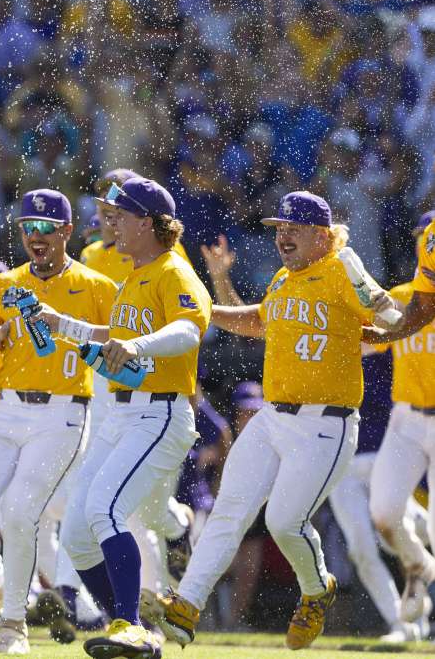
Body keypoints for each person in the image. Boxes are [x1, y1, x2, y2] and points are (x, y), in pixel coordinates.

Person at [142, 192, 395, 651]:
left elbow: (387, 318)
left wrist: (382, 307)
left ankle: (317, 589)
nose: (282, 236)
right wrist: (207, 306)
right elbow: (259, 322)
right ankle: (186, 605)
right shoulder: (283, 278)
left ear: (322, 236)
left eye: (293, 228)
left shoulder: (341, 269)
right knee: (229, 509)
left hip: (327, 423)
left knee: (283, 521)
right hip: (274, 416)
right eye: (279, 228)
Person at [0, 189, 118, 654]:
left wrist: (69, 328)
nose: (36, 237)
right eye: (27, 227)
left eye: (46, 228)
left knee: (19, 512)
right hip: (9, 407)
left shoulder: (97, 287)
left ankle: (14, 624)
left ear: (67, 232)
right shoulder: (4, 285)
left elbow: (124, 340)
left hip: (65, 411)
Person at [32, 177, 210, 658]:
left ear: (148, 222)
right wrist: (61, 324)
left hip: (159, 413)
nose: (110, 221)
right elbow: (114, 333)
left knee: (105, 509)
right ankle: (131, 630)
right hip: (123, 415)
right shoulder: (136, 273)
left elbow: (188, 331)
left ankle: (130, 624)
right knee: (75, 533)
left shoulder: (174, 270)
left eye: (120, 214)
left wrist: (134, 345)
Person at [368, 210, 435, 631]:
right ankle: (416, 566)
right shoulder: (399, 295)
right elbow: (365, 346)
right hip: (406, 418)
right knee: (384, 513)